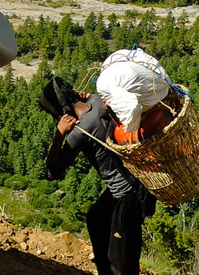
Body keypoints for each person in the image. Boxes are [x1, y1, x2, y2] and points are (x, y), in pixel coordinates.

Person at [39, 76, 156, 275]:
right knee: (97, 219)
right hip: (138, 182)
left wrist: (60, 134)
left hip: (126, 195)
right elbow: (89, 100)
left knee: (121, 261)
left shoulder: (81, 131)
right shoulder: (97, 102)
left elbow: (52, 171)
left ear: (63, 111)